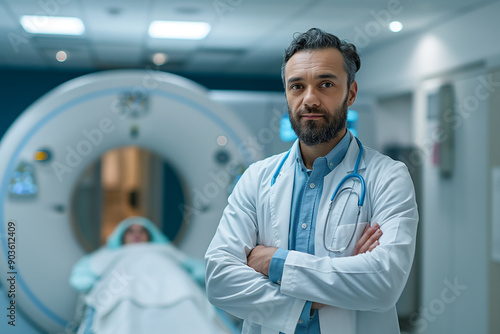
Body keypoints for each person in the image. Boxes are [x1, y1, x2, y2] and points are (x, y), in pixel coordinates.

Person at [204, 28, 418, 334]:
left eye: (326, 84)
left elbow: (383, 283)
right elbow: (219, 280)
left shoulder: (388, 177)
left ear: (351, 93)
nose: (309, 99)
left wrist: (274, 263)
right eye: (297, 86)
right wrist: (327, 292)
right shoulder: (257, 178)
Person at [69, 216, 229, 334]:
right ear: (122, 236)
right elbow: (81, 277)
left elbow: (199, 269)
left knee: (185, 293)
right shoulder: (110, 254)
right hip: (125, 290)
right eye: (131, 231)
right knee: (124, 302)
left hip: (175, 287)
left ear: (150, 235)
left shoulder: (165, 251)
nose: (136, 234)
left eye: (142, 231)